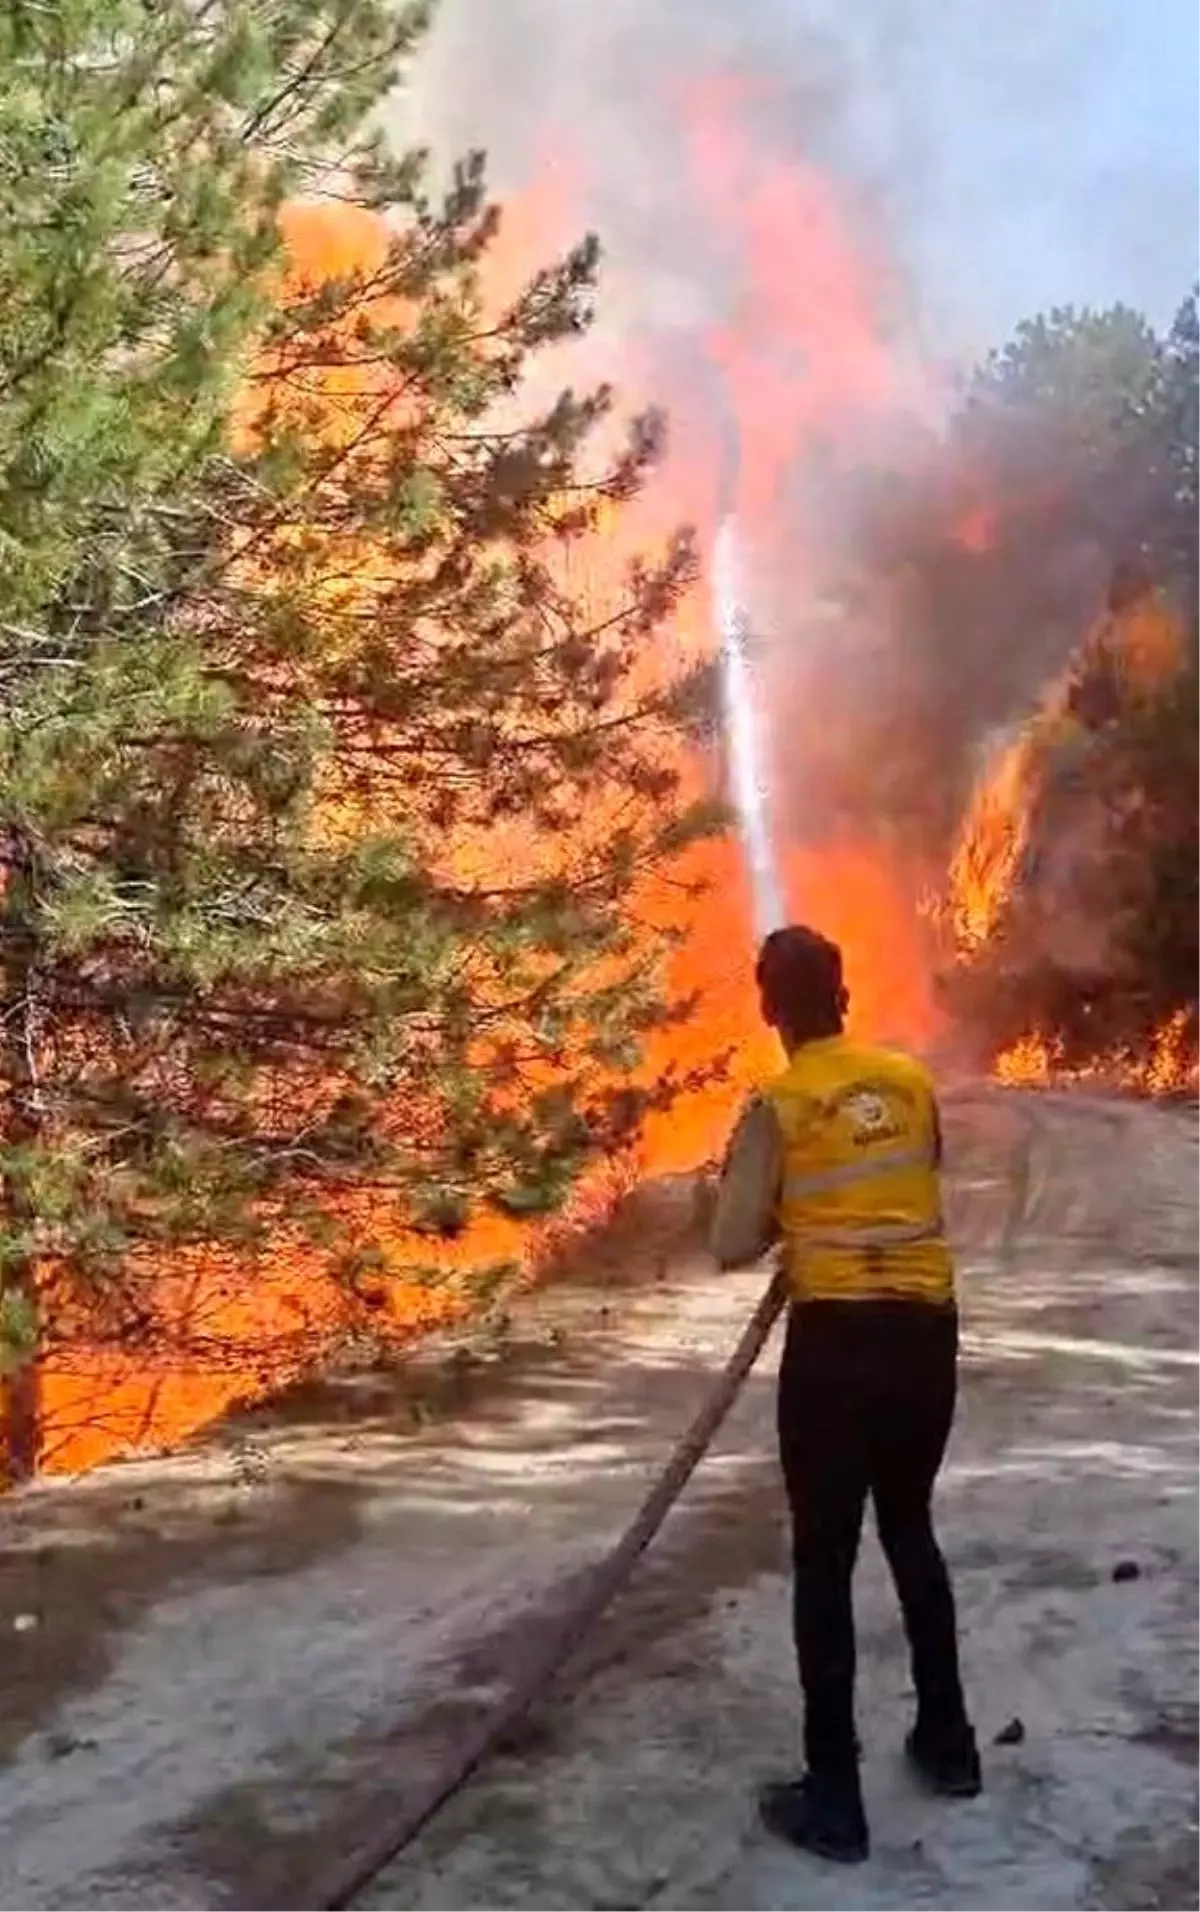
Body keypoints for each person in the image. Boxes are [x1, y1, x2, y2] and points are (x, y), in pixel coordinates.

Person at [709, 924, 980, 1865]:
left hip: (837, 1343)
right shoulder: (907, 1080)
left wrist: (792, 1213)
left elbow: (729, 1240)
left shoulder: (778, 1103)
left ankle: (835, 1798)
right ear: (846, 994)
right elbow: (921, 1174)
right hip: (925, 1329)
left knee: (824, 1558)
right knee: (909, 1525)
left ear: (768, 1006)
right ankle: (949, 1744)